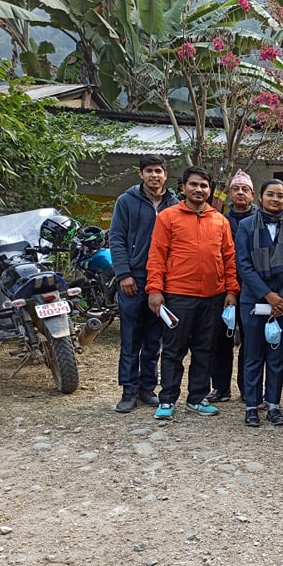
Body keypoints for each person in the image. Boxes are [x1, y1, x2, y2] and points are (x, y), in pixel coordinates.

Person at [145, 166, 239, 420]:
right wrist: (154, 289)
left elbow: (229, 258)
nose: (199, 190)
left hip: (213, 296)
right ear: (184, 187)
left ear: (210, 190)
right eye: (194, 185)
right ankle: (167, 400)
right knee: (174, 350)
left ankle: (197, 398)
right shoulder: (168, 217)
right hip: (177, 295)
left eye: (204, 186)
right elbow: (156, 256)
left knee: (204, 349)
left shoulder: (220, 220)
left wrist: (231, 290)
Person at [109, 154, 179, 413]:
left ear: (165, 175)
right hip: (134, 279)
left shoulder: (175, 204)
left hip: (162, 280)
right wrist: (124, 274)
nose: (154, 175)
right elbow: (116, 239)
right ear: (141, 174)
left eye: (158, 171)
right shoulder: (126, 201)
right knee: (131, 338)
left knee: (154, 338)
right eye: (149, 171)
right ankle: (128, 391)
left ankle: (147, 388)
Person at [236, 179, 283, 427]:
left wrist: (282, 297)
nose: (275, 199)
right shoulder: (245, 226)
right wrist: (267, 295)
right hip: (254, 300)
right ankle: (252, 406)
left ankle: (273, 405)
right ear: (261, 197)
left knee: (277, 356)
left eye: (280, 196)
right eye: (270, 195)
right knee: (253, 354)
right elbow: (243, 265)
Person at [207, 169, 258, 404]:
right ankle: (220, 387)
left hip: (253, 289)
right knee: (221, 339)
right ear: (229, 194)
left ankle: (247, 387)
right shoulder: (218, 219)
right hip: (222, 288)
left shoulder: (261, 219)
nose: (240, 193)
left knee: (250, 341)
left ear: (253, 195)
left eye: (244, 189)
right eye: (236, 189)